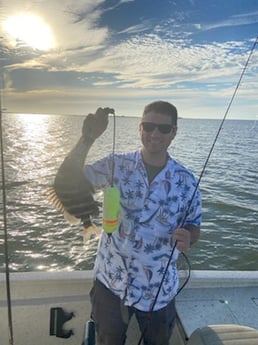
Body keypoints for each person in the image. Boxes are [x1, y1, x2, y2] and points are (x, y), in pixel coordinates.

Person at [60, 101, 202, 345]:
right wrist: (87, 139)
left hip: (158, 290)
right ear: (140, 128)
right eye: (148, 126)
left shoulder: (187, 181)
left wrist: (189, 236)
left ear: (174, 132)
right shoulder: (116, 165)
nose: (154, 133)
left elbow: (194, 224)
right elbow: (67, 184)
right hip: (111, 285)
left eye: (163, 128)